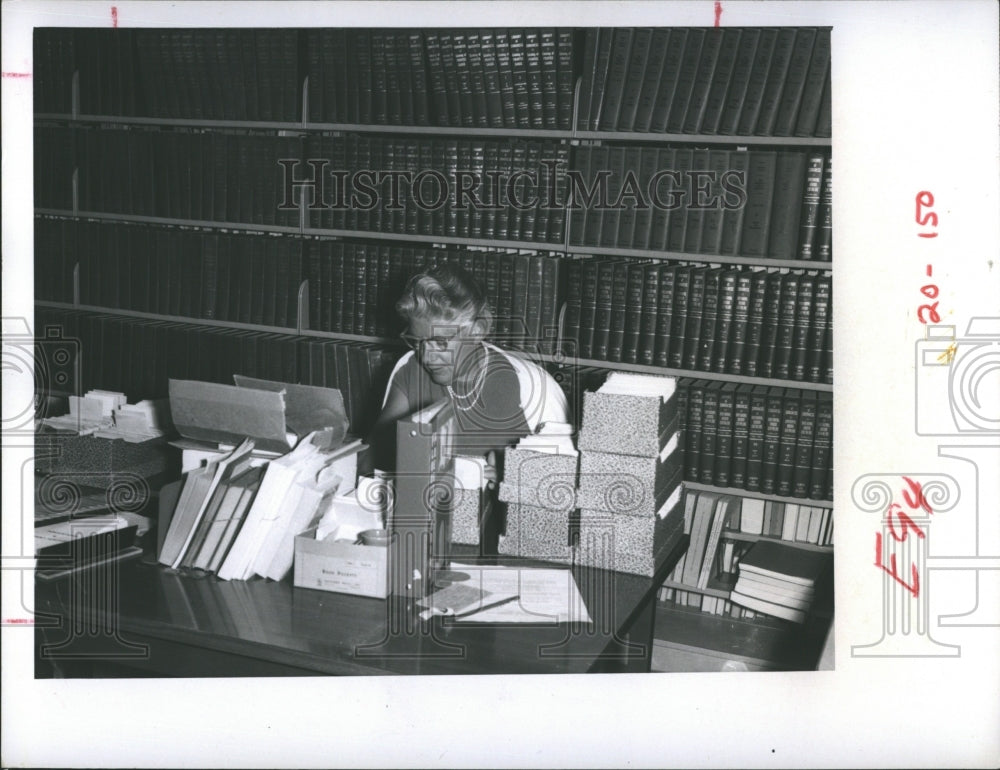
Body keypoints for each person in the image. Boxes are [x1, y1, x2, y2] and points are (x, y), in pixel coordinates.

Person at [365, 264, 569, 552]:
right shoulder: (409, 371)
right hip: (425, 543)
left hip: (506, 552)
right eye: (417, 341)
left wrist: (512, 483)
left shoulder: (534, 387)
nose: (427, 355)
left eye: (440, 341)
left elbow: (559, 507)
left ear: (477, 329)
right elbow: (371, 464)